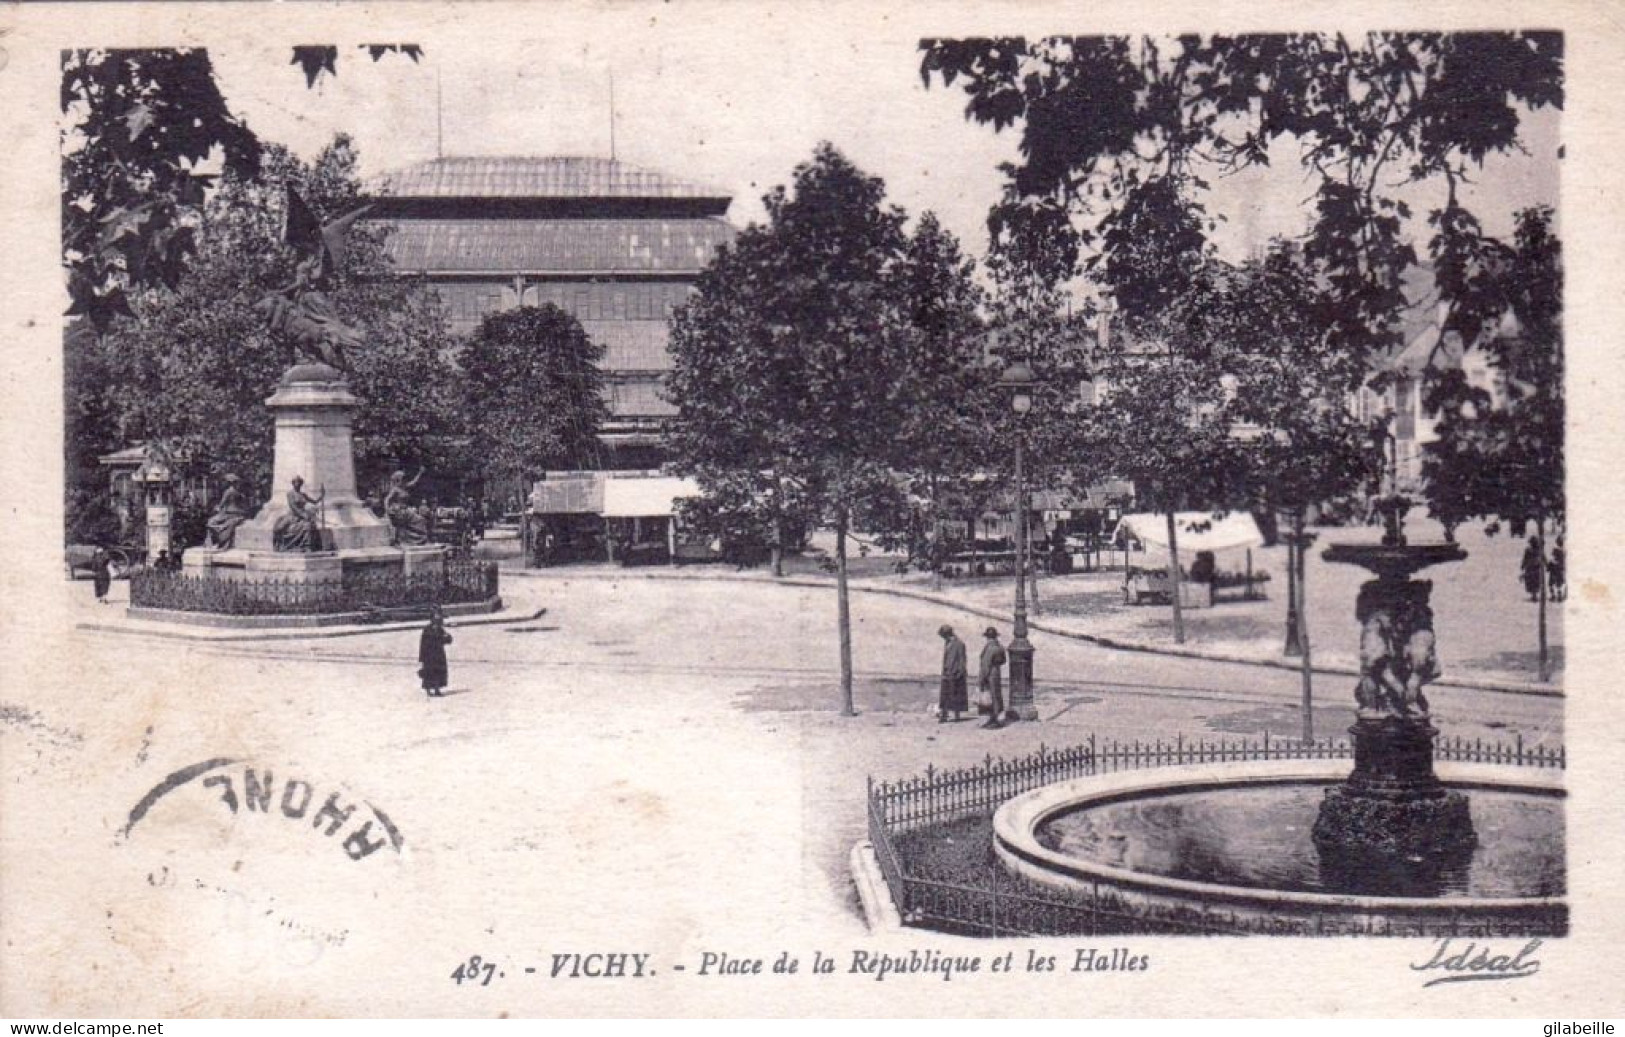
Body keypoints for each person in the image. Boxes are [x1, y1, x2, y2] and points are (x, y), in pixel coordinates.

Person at [272, 476, 325, 552]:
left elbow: (314, 501)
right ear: (293, 483)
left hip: (303, 515)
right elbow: (293, 507)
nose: (298, 484)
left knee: (309, 525)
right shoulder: (290, 494)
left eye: (299, 482)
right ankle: (282, 542)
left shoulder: (303, 495)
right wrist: (303, 515)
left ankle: (307, 545)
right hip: (293, 515)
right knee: (280, 528)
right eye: (296, 482)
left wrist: (322, 495)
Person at [384, 469, 430, 547]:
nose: (405, 479)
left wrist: (420, 473)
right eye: (403, 478)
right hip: (399, 511)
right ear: (399, 479)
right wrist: (387, 510)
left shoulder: (405, 486)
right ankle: (411, 540)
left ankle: (419, 539)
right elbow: (387, 499)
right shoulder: (395, 489)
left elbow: (414, 482)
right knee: (416, 520)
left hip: (406, 510)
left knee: (420, 519)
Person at [205, 474, 249, 549]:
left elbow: (222, 503)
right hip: (239, 513)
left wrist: (217, 508)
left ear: (229, 482)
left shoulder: (228, 492)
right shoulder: (238, 492)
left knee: (210, 522)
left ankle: (215, 541)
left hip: (230, 513)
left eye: (225, 482)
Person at [418, 606, 454, 698]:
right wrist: (422, 657)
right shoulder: (427, 629)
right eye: (436, 618)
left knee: (439, 672)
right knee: (429, 672)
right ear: (432, 619)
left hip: (439, 654)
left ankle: (437, 689)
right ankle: (428, 690)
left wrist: (447, 636)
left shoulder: (440, 629)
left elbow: (448, 640)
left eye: (439, 618)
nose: (438, 620)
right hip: (429, 655)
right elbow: (423, 644)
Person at [937, 624, 968, 723]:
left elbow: (962, 660)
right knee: (945, 694)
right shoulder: (947, 643)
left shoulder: (959, 644)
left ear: (947, 634)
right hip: (947, 672)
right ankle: (944, 715)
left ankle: (956, 716)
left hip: (955, 673)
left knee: (956, 694)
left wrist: (960, 671)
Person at [978, 627, 1008, 729]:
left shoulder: (990, 647)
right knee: (996, 695)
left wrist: (982, 679)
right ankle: (995, 718)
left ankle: (995, 719)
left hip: (990, 674)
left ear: (988, 637)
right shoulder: (999, 646)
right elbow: (1004, 660)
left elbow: (985, 665)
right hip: (996, 672)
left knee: (992, 696)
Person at [1520, 535, 1543, 601]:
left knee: (1532, 582)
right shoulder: (1539, 549)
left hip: (1530, 568)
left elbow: (1525, 558)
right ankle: (1534, 595)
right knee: (1534, 581)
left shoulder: (1529, 550)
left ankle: (1534, 595)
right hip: (1536, 568)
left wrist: (1523, 565)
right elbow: (1543, 558)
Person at [1549, 536, 1566, 602]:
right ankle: (1560, 596)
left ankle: (1553, 596)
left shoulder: (1555, 550)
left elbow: (1552, 558)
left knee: (1551, 583)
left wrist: (1550, 565)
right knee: (1560, 583)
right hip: (1561, 568)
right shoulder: (1564, 550)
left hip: (1555, 568)